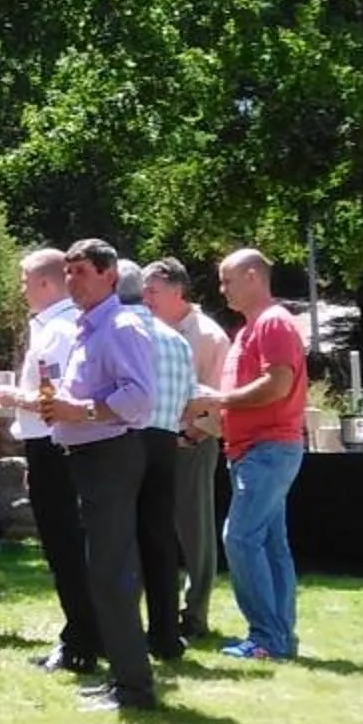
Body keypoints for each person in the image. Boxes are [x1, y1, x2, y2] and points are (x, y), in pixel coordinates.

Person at [33, 239, 160, 713]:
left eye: (81, 271)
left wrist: (78, 409)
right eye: (67, 272)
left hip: (111, 456)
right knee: (102, 572)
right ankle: (123, 680)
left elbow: (138, 399)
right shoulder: (88, 327)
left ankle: (134, 688)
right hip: (89, 458)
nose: (72, 280)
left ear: (109, 274)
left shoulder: (122, 324)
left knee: (111, 574)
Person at [195, 248, 311, 661]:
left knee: (240, 539)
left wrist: (219, 399)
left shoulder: (273, 323)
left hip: (269, 448)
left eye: (227, 280)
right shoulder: (250, 329)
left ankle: (266, 638)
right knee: (271, 545)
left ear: (252, 276)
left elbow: (278, 385)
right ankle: (280, 639)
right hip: (256, 450)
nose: (222, 288)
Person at [0, 247, 96, 676]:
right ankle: (88, 632)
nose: (20, 289)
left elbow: (52, 399)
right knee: (70, 546)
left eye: (24, 280)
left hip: (53, 446)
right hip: (55, 445)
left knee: (64, 547)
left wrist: (12, 397)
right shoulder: (60, 325)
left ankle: (80, 640)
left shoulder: (57, 330)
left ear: (46, 283)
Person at [144, 258, 233, 643]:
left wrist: (193, 434)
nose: (145, 298)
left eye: (152, 291)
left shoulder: (208, 337)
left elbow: (219, 398)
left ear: (177, 291)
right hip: (157, 440)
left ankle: (195, 613)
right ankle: (162, 610)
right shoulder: (150, 330)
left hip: (192, 443)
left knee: (195, 530)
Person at [118, 260, 192, 662]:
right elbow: (187, 398)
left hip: (123, 438)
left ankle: (122, 631)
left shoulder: (118, 333)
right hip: (165, 439)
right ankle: (166, 633)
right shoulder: (176, 339)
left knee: (119, 540)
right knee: (160, 538)